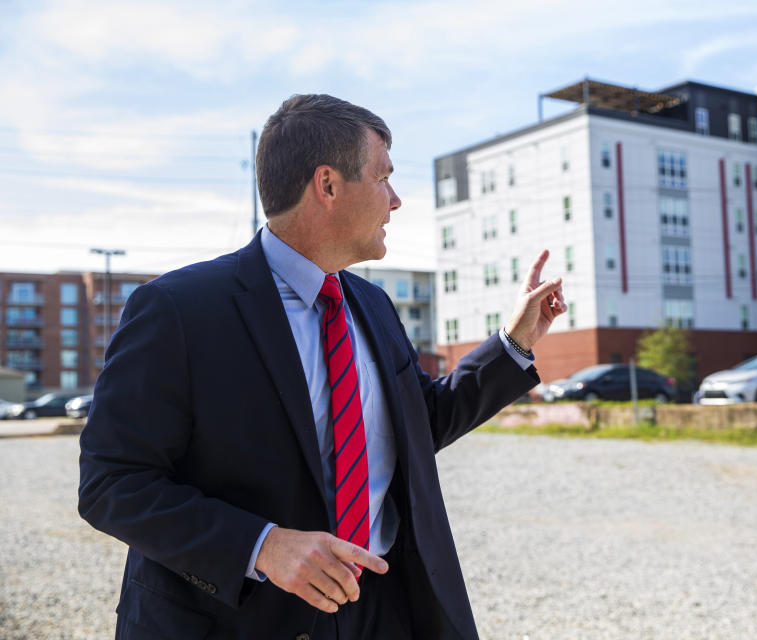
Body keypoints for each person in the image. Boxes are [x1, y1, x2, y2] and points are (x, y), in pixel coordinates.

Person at [78, 94, 566, 640]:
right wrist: (262, 546)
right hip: (243, 617)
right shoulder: (179, 310)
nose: (396, 200)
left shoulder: (373, 305)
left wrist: (514, 343)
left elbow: (416, 424)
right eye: (383, 177)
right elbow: (112, 483)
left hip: (383, 606)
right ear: (328, 185)